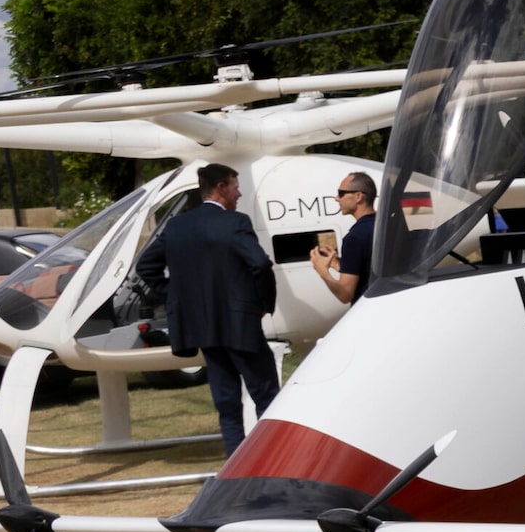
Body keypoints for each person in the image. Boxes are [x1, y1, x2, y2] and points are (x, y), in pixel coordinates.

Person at [136, 162, 278, 455]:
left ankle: (235, 462)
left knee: (226, 400)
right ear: (221, 188)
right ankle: (272, 458)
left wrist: (176, 295)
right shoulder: (235, 222)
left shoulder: (177, 226)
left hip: (203, 328)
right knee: (265, 394)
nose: (239, 194)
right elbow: (260, 264)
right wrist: (262, 303)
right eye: (236, 187)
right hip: (240, 324)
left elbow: (145, 266)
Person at [309, 172, 376, 304]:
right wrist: (341, 265)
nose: (336, 198)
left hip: (369, 312)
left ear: (358, 196)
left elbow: (345, 295)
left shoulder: (354, 238)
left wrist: (322, 271)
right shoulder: (387, 227)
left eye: (341, 193)